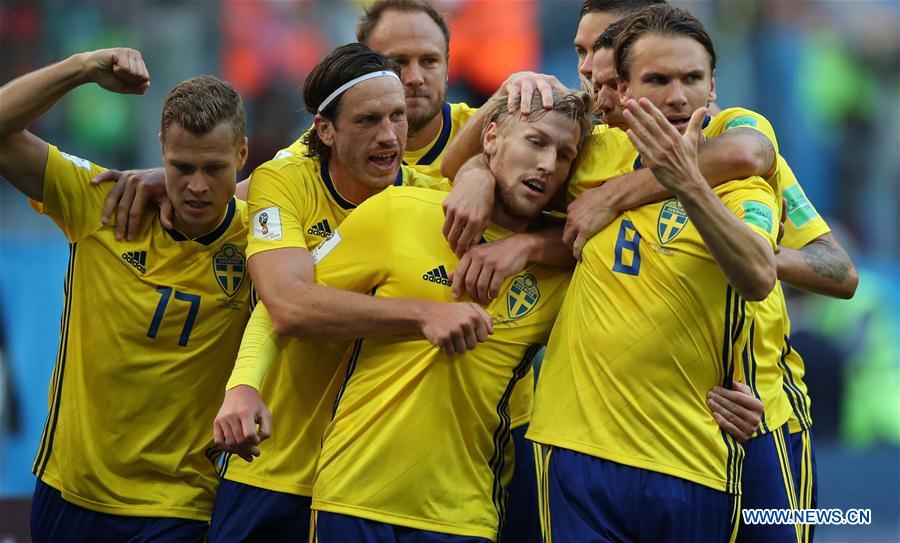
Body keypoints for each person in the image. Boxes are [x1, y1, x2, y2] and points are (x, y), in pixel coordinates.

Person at [205, 42, 495, 543]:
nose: (389, 137)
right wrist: (421, 314)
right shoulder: (285, 181)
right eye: (368, 121)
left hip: (372, 490)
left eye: (398, 118)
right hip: (276, 464)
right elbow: (287, 304)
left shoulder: (431, 199)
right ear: (325, 129)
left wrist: (482, 173)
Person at [527, 6, 783, 541]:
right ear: (620, 88)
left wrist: (684, 182)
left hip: (702, 450)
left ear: (713, 87)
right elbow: (498, 158)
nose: (676, 96)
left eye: (691, 79)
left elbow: (766, 275)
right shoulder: (587, 150)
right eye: (658, 80)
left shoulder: (742, 177)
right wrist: (505, 221)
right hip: (576, 449)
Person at [305, 89, 591, 543]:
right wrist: (420, 315)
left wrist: (734, 387)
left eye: (564, 155)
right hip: (352, 497)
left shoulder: (568, 267)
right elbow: (294, 306)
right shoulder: (397, 209)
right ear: (491, 137)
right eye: (536, 142)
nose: (547, 164)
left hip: (465, 514)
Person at [0, 48, 251, 541]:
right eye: (181, 167)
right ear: (160, 149)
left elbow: (321, 166)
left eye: (214, 169)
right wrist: (81, 68)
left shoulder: (265, 236)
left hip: (180, 503)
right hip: (71, 490)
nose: (197, 187)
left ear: (242, 156)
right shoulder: (102, 202)